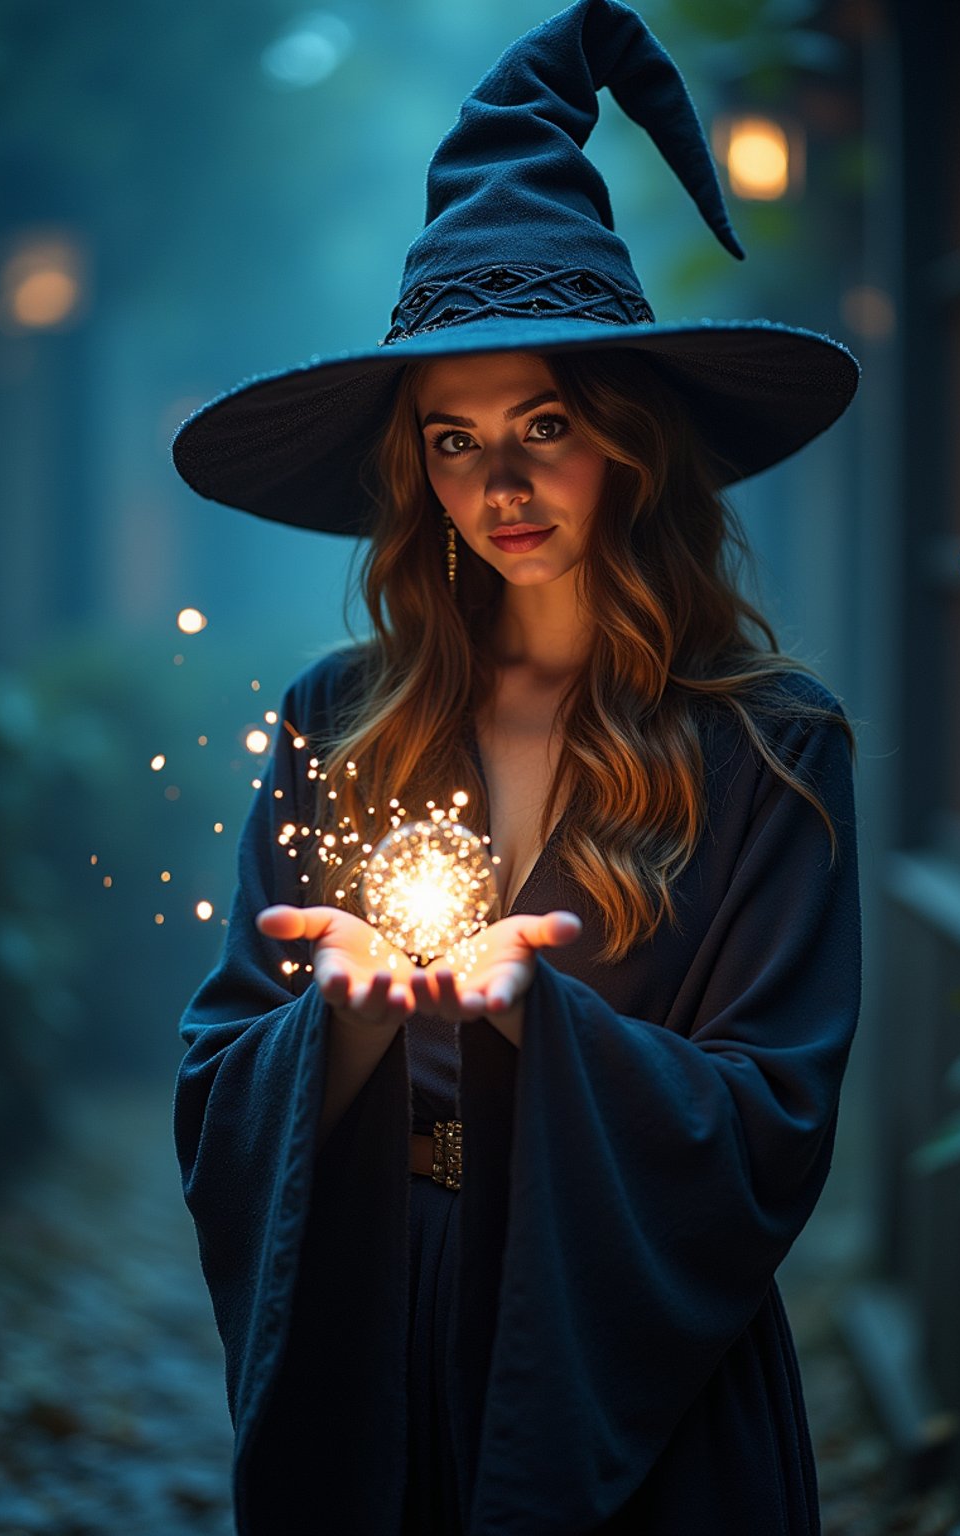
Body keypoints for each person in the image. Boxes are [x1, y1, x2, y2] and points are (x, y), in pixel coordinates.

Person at [172, 3, 862, 1533]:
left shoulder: (770, 746)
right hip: (385, 1342)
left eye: (544, 423)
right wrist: (341, 1028)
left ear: (629, 439)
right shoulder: (336, 724)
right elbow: (222, 1068)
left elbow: (773, 1120)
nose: (499, 483)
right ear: (411, 466)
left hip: (637, 1382)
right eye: (451, 437)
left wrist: (547, 1026)